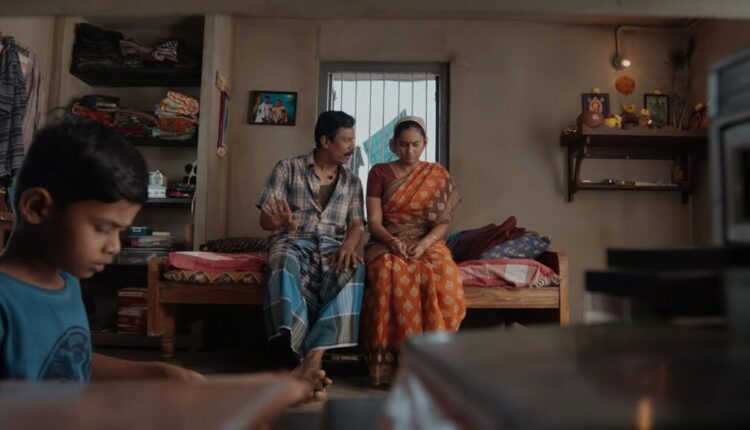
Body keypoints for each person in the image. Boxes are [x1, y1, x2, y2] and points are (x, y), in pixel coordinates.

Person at [0, 119, 204, 382]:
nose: (115, 246)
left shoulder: (66, 280)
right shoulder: (6, 301)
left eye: (120, 231)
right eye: (103, 228)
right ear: (37, 207)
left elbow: (70, 365)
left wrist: (156, 372)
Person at [257, 110, 365, 399]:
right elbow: (265, 219)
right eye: (346, 140)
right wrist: (277, 221)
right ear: (325, 141)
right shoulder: (287, 168)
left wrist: (348, 246)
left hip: (331, 245)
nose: (352, 146)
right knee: (282, 263)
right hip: (292, 239)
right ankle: (300, 361)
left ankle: (312, 361)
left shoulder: (353, 182)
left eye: (353, 139)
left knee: (354, 269)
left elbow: (356, 225)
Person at [362, 115, 465, 385]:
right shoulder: (379, 173)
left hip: (427, 241)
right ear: (393, 145)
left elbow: (442, 223)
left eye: (415, 145)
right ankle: (395, 367)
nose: (409, 151)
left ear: (425, 143)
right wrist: (392, 242)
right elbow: (374, 222)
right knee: (388, 272)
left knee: (446, 277)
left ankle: (435, 363)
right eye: (404, 145)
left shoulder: (437, 174)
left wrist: (424, 244)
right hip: (386, 241)